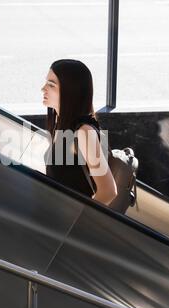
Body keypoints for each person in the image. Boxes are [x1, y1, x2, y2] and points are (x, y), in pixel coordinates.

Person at [41, 59, 117, 206]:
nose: (43, 88)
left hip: (71, 223)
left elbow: (108, 190)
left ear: (70, 91)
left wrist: (80, 222)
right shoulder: (60, 123)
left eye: (51, 85)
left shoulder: (83, 132)